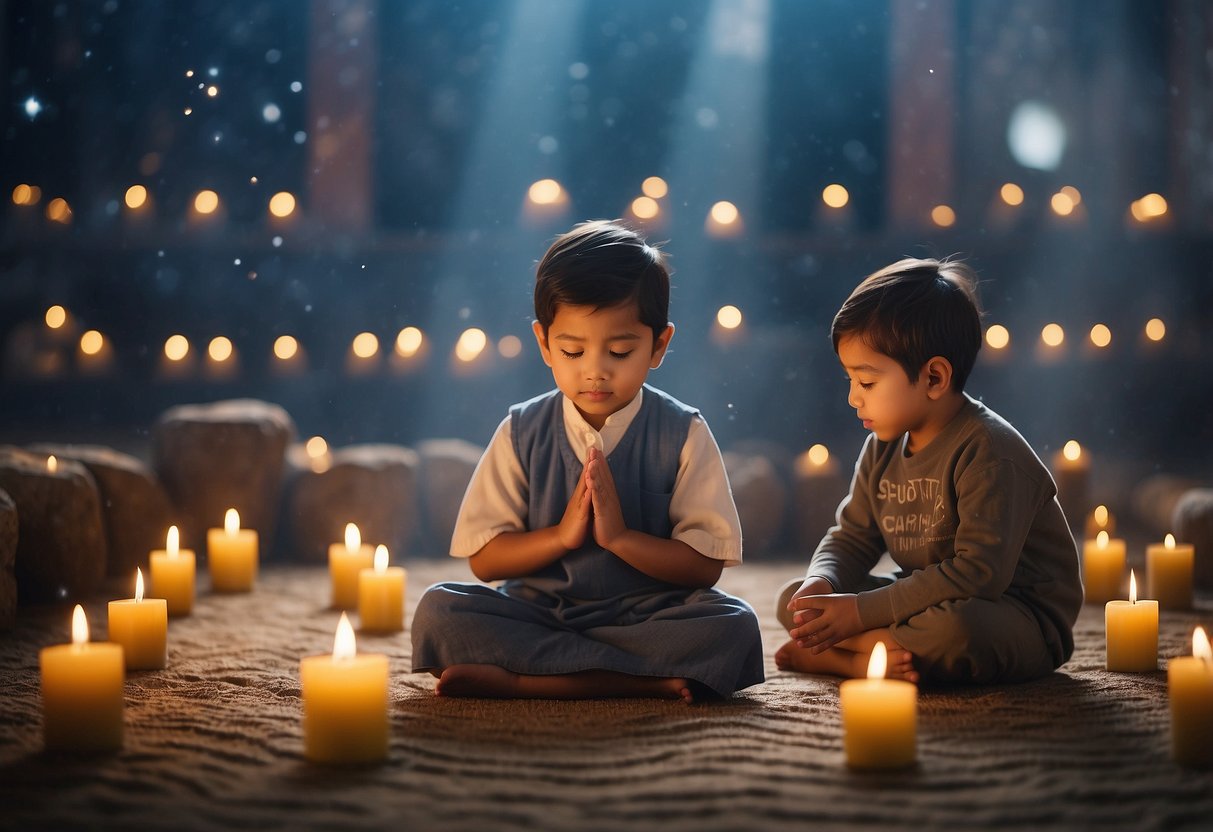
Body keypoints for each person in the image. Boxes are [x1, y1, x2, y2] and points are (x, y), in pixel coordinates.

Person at [411, 219, 764, 702]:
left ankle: (526, 680)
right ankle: (636, 681)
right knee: (439, 610)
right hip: (539, 611)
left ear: (659, 345)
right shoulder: (521, 430)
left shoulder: (683, 431)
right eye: (572, 350)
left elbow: (705, 567)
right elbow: (485, 559)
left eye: (620, 350)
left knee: (735, 625)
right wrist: (560, 537)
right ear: (544, 343)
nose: (594, 370)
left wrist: (620, 539)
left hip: (648, 615)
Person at [775, 257, 1082, 685]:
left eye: (866, 382)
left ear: (934, 377)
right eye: (849, 380)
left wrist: (861, 614)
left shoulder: (989, 451)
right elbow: (852, 537)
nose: (852, 398)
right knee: (795, 602)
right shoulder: (882, 447)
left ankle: (851, 654)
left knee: (955, 631)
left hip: (1011, 612)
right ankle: (867, 655)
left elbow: (977, 575)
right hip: (925, 595)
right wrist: (822, 582)